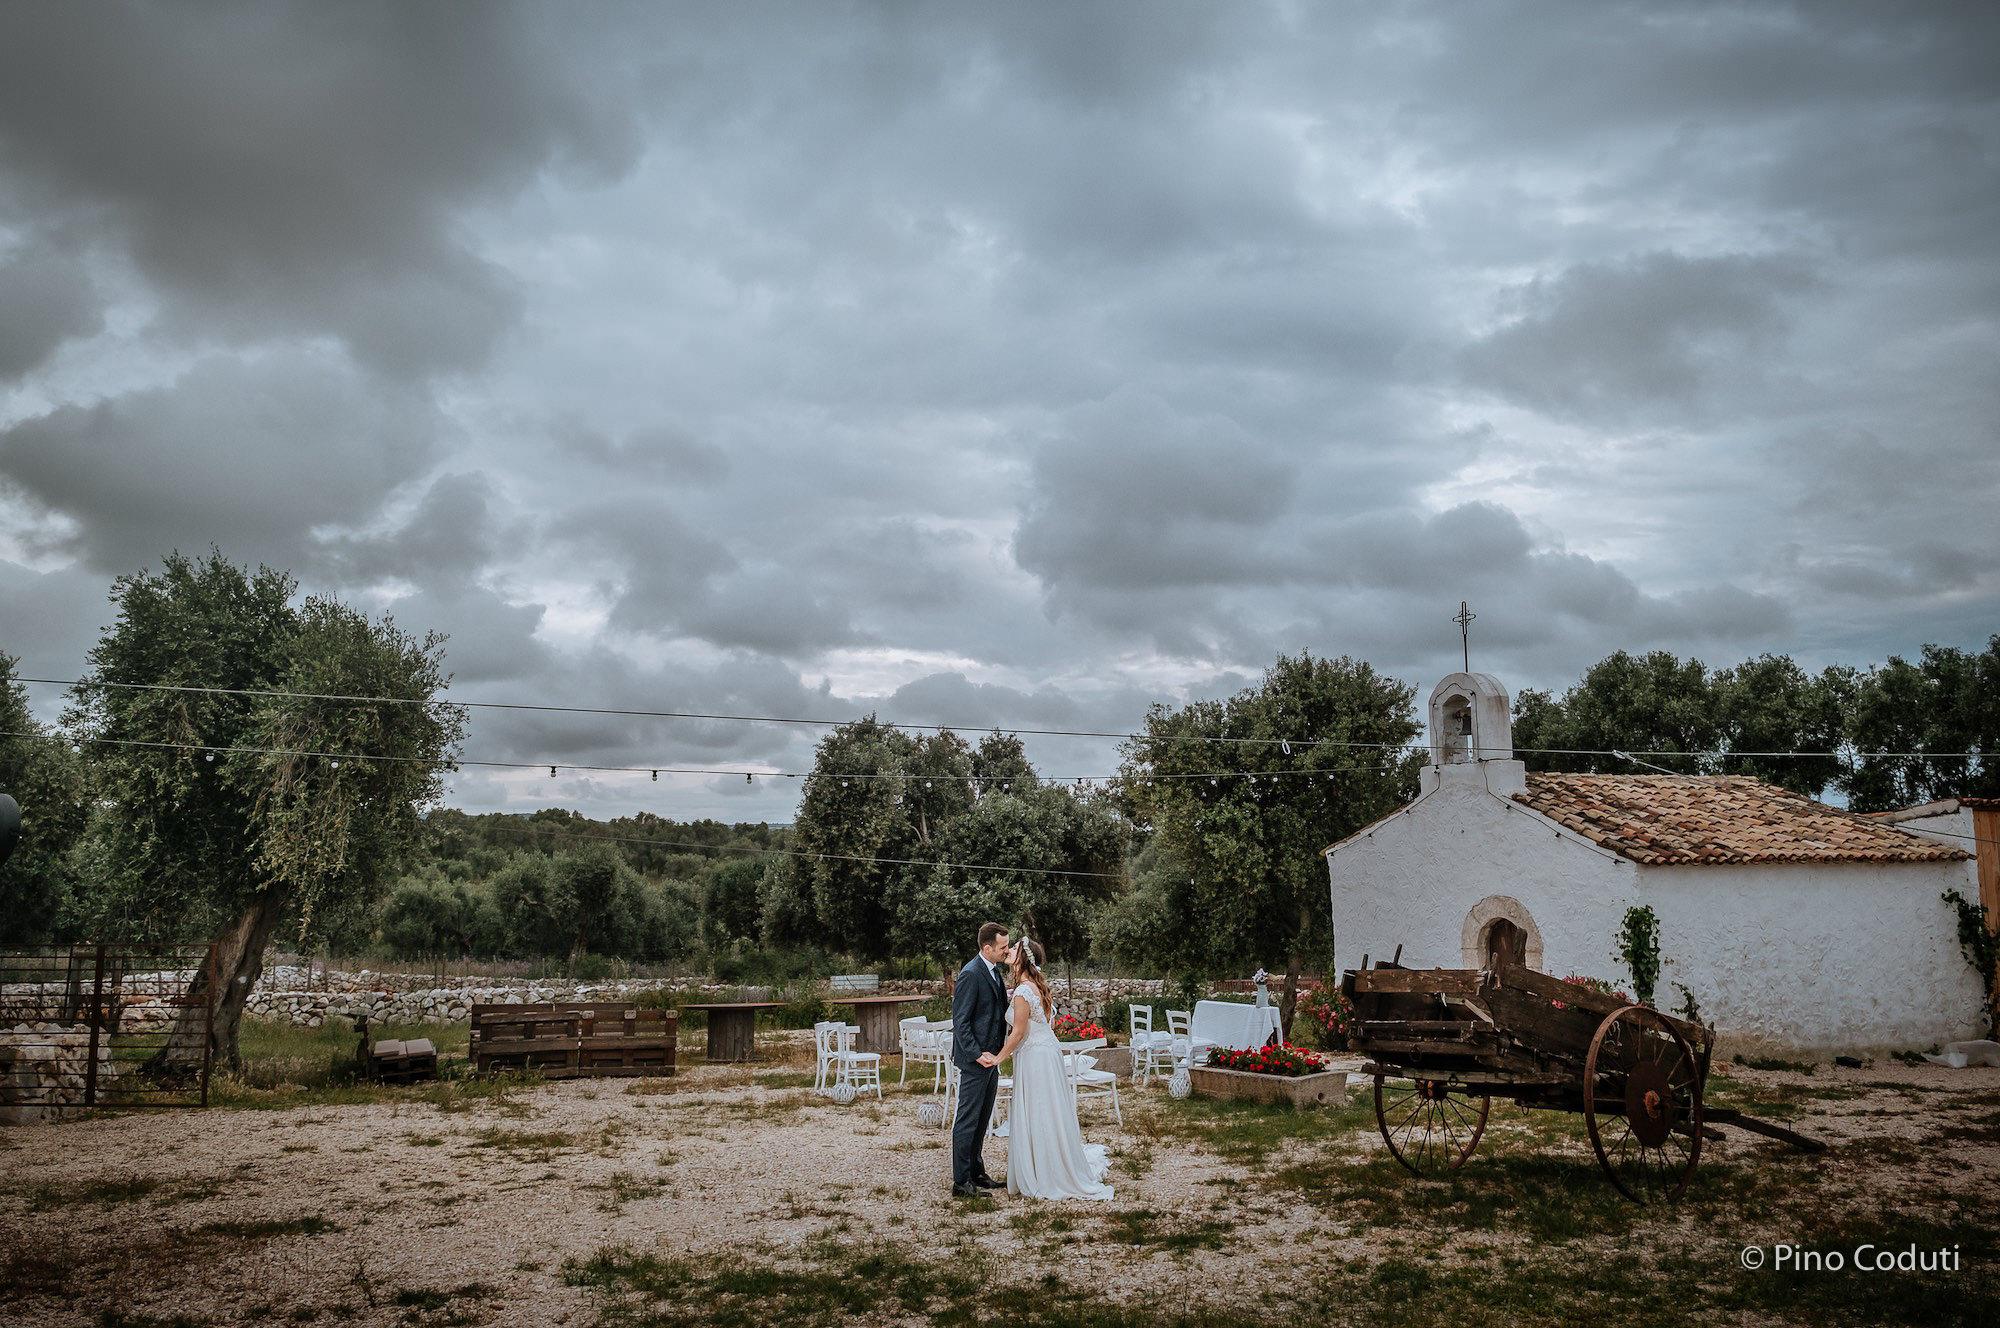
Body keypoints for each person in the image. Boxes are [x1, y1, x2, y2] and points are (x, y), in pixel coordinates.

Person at [992, 936, 1114, 1201]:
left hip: (1036, 1056)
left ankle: (1046, 1171)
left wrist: (998, 1058)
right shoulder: (1034, 985)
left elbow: (1018, 1032)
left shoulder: (1025, 991)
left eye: (1013, 948)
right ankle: (1048, 1162)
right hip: (1043, 1052)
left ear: (1024, 957)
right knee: (1046, 1109)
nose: (1008, 951)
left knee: (1039, 1109)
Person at [949, 922, 1010, 1198]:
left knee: (983, 1118)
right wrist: (977, 1054)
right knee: (967, 1119)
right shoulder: (970, 974)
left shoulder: (995, 971)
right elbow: (960, 1022)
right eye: (1002, 947)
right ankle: (961, 1181)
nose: (1006, 951)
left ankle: (976, 1171)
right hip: (976, 1060)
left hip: (992, 1058)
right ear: (987, 948)